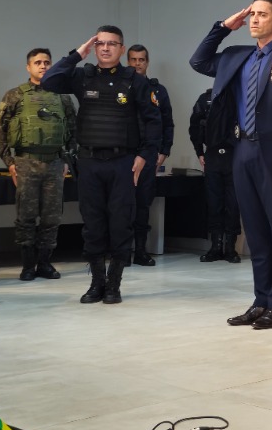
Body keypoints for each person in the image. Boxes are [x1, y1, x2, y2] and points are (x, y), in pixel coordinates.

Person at [191, 0, 272, 331]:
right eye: (251, 15)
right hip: (243, 151)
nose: (254, 20)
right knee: (256, 232)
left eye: (262, 15)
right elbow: (198, 61)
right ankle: (260, 299)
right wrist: (223, 28)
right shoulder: (237, 56)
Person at [42, 27, 161, 305]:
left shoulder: (134, 81)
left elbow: (154, 121)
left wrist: (144, 155)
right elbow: (49, 80)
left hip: (123, 163)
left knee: (120, 223)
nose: (105, 49)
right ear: (94, 48)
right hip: (90, 162)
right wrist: (77, 54)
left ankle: (114, 285)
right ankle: (96, 283)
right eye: (100, 44)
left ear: (122, 49)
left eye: (112, 44)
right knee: (93, 225)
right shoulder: (83, 76)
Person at [0, 48, 76, 282]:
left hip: (54, 164)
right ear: (28, 67)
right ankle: (28, 265)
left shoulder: (63, 97)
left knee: (52, 217)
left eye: (47, 62)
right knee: (26, 217)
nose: (43, 66)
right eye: (37, 62)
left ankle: (45, 263)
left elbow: (73, 130)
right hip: (26, 162)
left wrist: (67, 160)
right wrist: (9, 162)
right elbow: (0, 130)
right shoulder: (15, 95)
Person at [124, 45, 174, 267]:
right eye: (133, 59)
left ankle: (141, 251)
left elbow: (166, 122)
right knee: (122, 204)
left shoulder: (158, 91)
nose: (137, 64)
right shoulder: (120, 87)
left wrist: (164, 150)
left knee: (143, 203)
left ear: (147, 62)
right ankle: (122, 252)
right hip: (124, 154)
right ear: (128, 61)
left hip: (149, 153)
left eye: (141, 60)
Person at [190, 86, 242, 262]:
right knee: (214, 203)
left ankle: (230, 248)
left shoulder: (239, 97)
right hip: (212, 155)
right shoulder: (205, 99)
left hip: (234, 156)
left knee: (233, 204)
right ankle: (215, 246)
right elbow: (195, 126)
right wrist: (199, 152)